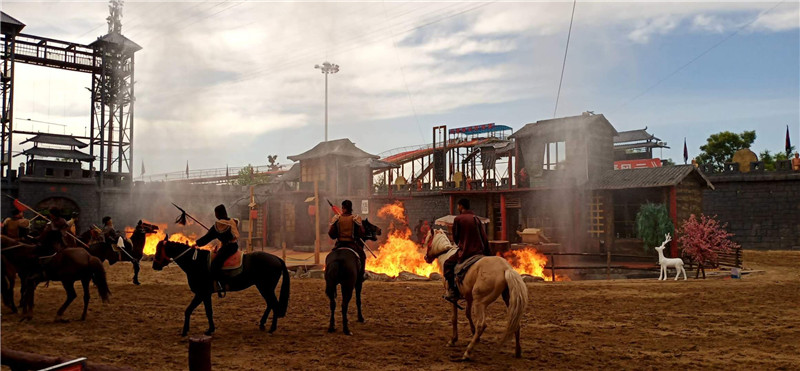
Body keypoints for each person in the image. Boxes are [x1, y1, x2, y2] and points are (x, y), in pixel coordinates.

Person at [443, 198, 490, 304]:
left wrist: (461, 245)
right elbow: (484, 237)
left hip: (466, 252)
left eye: (458, 206)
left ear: (461, 206)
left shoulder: (458, 219)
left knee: (447, 264)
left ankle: (452, 291)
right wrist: (488, 252)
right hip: (479, 252)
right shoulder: (476, 218)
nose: (457, 208)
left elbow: (456, 238)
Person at [196, 204, 239, 291]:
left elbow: (207, 238)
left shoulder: (219, 225)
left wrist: (196, 243)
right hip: (234, 245)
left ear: (217, 214)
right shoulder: (232, 221)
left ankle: (221, 284)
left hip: (227, 248)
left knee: (215, 264)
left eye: (215, 213)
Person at [328, 200, 366, 278]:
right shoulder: (356, 218)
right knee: (362, 256)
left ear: (343, 208)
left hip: (339, 244)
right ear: (351, 208)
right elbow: (362, 233)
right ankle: (361, 276)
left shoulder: (337, 218)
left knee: (330, 257)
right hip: (352, 244)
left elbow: (331, 235)